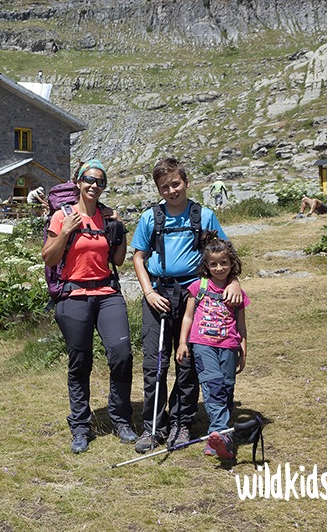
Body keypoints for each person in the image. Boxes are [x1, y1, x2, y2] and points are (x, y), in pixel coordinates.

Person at [130, 158, 242, 454]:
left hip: (196, 295)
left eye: (176, 184)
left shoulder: (204, 215)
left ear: (187, 182)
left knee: (188, 361)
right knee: (154, 363)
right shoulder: (150, 218)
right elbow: (138, 258)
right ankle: (153, 426)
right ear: (158, 189)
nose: (171, 191)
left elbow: (223, 252)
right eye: (164, 187)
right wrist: (148, 292)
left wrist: (234, 281)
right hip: (158, 293)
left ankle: (181, 422)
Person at [42, 159, 135, 453]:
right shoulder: (62, 216)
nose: (94, 185)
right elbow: (49, 258)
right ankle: (81, 426)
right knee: (80, 362)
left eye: (100, 182)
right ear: (78, 183)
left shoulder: (107, 219)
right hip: (73, 296)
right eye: (89, 180)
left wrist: (120, 229)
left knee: (121, 354)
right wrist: (67, 230)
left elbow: (118, 260)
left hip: (107, 293)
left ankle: (121, 419)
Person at [176, 232, 249, 459]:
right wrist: (182, 342)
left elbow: (241, 324)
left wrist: (244, 348)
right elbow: (187, 317)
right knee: (213, 385)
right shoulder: (198, 287)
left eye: (224, 263)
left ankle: (216, 439)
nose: (219, 268)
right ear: (206, 265)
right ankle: (219, 433)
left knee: (226, 387)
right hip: (202, 345)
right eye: (214, 264)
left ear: (231, 263)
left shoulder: (237, 293)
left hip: (228, 345)